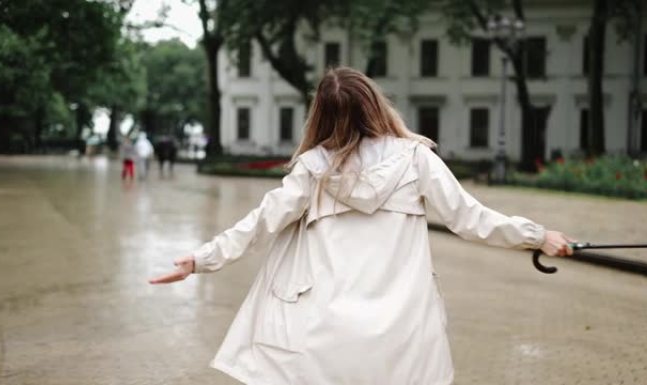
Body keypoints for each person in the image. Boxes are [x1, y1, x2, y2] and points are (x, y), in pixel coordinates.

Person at [149, 67, 575, 385]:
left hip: (324, 336)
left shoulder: (312, 168)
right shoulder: (415, 159)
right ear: (375, 103)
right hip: (404, 335)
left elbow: (260, 223)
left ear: (320, 116)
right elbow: (473, 219)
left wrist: (199, 260)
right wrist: (539, 236)